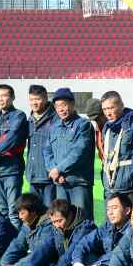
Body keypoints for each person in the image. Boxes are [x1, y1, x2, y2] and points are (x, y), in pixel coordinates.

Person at [58, 193, 133, 266]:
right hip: (102, 265)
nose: (110, 212)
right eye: (108, 209)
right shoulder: (107, 226)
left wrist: (96, 265)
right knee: (82, 261)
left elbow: (117, 255)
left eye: (114, 208)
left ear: (127, 210)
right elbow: (84, 243)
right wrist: (77, 262)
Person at [43, 87, 96, 222]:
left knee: (81, 220)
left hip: (78, 182)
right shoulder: (54, 127)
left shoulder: (84, 125)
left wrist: (58, 170)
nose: (61, 109)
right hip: (60, 183)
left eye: (64, 105)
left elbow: (79, 152)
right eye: (57, 106)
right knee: (62, 221)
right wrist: (53, 171)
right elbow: (47, 151)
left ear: (72, 104)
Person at [0, 193, 52, 266]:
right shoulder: (27, 223)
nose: (20, 217)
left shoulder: (48, 226)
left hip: (47, 265)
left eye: (22, 213)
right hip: (29, 262)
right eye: (19, 213)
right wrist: (3, 265)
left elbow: (40, 253)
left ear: (33, 212)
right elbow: (17, 245)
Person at [0, 83, 29, 228]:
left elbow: (12, 138)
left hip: (11, 170)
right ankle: (5, 238)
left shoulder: (19, 116)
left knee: (14, 212)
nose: (1, 99)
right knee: (1, 211)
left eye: (4, 96)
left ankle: (17, 240)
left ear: (12, 97)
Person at [33, 198, 96, 266]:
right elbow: (45, 246)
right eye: (54, 222)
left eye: (59, 221)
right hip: (65, 263)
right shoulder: (57, 228)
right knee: (43, 264)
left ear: (70, 215)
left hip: (83, 263)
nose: (56, 225)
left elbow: (70, 254)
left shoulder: (85, 228)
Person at [100, 91, 133, 209]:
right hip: (110, 189)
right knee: (111, 220)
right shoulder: (107, 128)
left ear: (121, 106)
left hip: (129, 189)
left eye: (111, 108)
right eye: (104, 109)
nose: (108, 113)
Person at [26, 85, 57, 206]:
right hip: (32, 175)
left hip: (49, 176)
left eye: (37, 99)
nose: (34, 103)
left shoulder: (55, 119)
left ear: (45, 98)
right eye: (31, 99)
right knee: (33, 211)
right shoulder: (29, 120)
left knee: (50, 211)